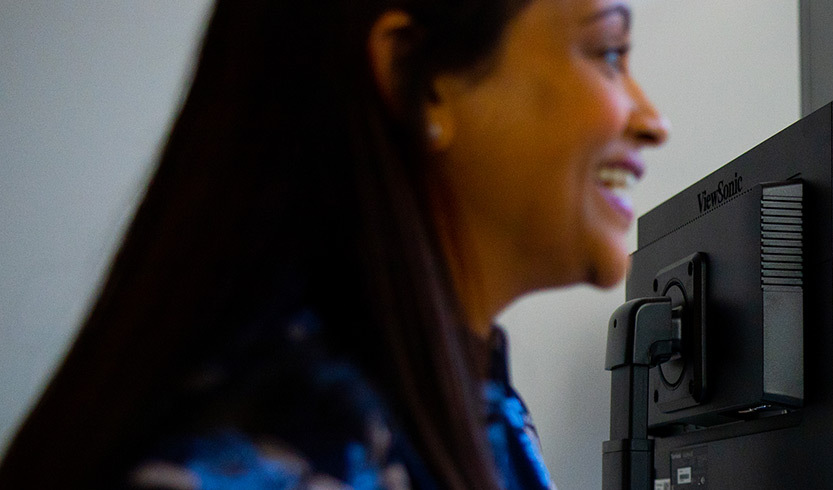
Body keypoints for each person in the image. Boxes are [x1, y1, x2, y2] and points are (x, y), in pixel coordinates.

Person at [0, 0, 667, 488]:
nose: (653, 122)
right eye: (608, 52)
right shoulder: (265, 458)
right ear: (418, 75)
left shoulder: (467, 403)